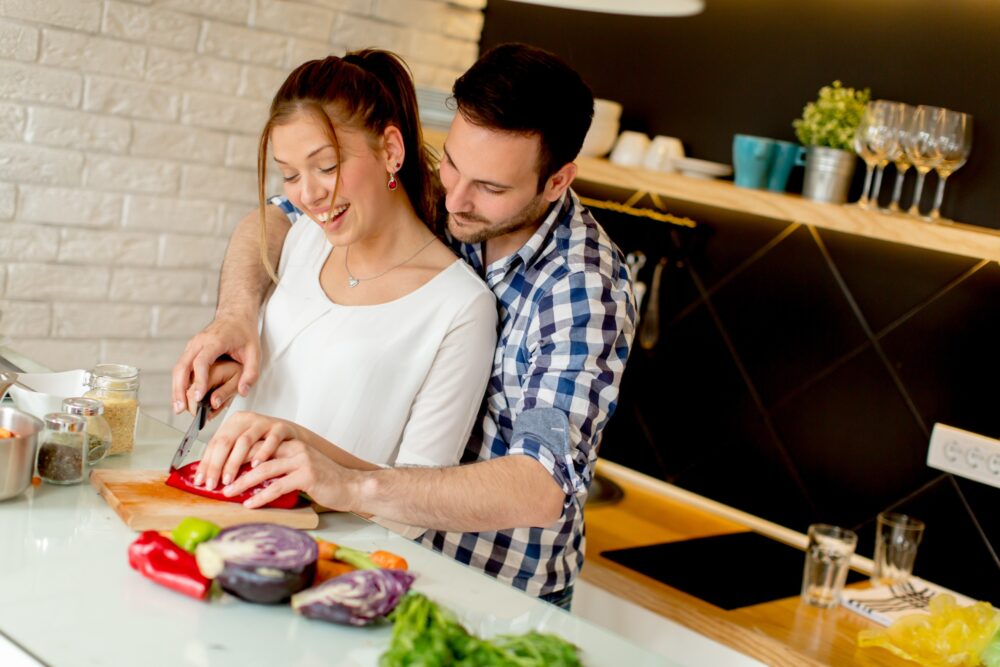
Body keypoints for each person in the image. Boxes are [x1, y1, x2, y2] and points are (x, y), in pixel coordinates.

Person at [173, 43, 636, 608]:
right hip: (386, 558)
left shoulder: (581, 290)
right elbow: (277, 216)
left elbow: (539, 485)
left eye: (490, 188)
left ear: (557, 181)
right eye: (454, 164)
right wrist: (236, 314)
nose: (456, 199)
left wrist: (345, 482)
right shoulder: (437, 191)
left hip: (493, 590)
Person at [187, 49, 497, 496]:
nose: (309, 194)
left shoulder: (460, 307)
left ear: (390, 150)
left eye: (327, 167)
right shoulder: (303, 241)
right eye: (289, 175)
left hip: (332, 555)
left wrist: (306, 450)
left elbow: (423, 498)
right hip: (220, 517)